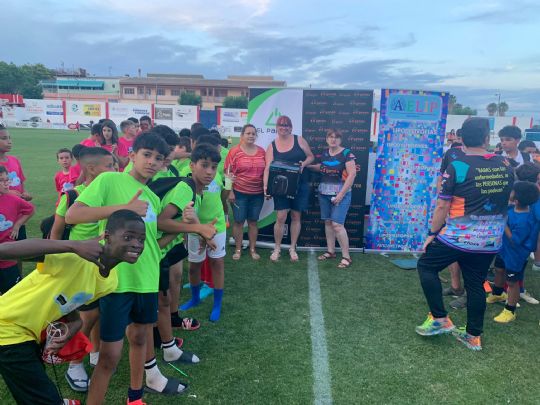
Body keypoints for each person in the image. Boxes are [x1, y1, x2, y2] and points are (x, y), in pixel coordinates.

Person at [66, 133, 186, 404]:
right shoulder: (110, 180)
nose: (152, 162)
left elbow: (151, 243)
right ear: (131, 155)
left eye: (158, 158)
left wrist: (184, 231)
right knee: (108, 356)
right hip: (116, 282)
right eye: (146, 155)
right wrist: (125, 207)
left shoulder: (153, 199)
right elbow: (74, 214)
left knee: (141, 340)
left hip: (146, 281)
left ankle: (135, 397)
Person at [0, 211, 145, 405]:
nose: (137, 244)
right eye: (128, 237)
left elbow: (69, 300)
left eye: (141, 239)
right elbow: (5, 250)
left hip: (28, 334)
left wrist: (75, 323)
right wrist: (72, 245)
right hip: (7, 328)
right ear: (107, 237)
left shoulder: (110, 281)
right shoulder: (77, 257)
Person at [415, 117, 514, 351]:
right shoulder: (505, 164)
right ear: (487, 138)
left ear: (461, 139)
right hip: (490, 240)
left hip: (459, 237)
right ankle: (473, 336)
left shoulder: (457, 165)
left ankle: (440, 318)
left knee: (426, 266)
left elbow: (442, 206)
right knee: (476, 284)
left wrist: (432, 233)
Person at [50, 147, 115, 391]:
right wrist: (59, 266)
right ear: (91, 168)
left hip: (105, 264)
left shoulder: (113, 193)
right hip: (80, 266)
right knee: (87, 317)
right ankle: (74, 363)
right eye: (109, 166)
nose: (115, 171)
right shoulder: (73, 195)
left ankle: (94, 353)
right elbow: (56, 233)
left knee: (99, 312)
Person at [178, 136, 226, 322]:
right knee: (194, 266)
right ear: (192, 165)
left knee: (217, 264)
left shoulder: (218, 178)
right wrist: (199, 234)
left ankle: (217, 304)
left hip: (217, 227)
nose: (210, 172)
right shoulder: (186, 185)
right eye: (204, 165)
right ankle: (195, 298)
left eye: (213, 167)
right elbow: (188, 215)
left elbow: (222, 198)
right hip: (195, 229)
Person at [486, 181, 539, 323]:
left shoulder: (524, 220)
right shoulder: (511, 209)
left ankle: (510, 310)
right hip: (504, 250)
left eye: (512, 191)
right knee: (499, 269)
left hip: (515, 256)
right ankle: (498, 293)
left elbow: (515, 240)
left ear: (517, 199)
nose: (510, 192)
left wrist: (504, 224)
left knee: (512, 282)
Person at [263, 115, 314, 262]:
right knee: (281, 217)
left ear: (291, 127)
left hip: (300, 185)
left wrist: (303, 164)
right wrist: (266, 186)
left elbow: (310, 157)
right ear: (277, 127)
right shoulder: (272, 145)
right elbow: (267, 168)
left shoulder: (299, 140)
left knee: (296, 216)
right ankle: (277, 248)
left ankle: (292, 247)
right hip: (280, 187)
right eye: (281, 125)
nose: (284, 127)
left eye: (287, 125)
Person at [309, 129, 356, 268]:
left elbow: (352, 175)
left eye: (336, 137)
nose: (333, 139)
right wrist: (306, 166)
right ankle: (331, 251)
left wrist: (341, 195)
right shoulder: (324, 153)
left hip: (341, 194)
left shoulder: (347, 154)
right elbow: (322, 168)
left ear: (340, 140)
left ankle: (346, 257)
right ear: (326, 139)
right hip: (324, 193)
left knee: (337, 225)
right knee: (328, 223)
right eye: (330, 137)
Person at [225, 124, 266, 260]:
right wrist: (230, 192)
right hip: (239, 193)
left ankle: (252, 249)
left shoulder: (261, 152)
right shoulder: (234, 152)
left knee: (253, 221)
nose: (251, 136)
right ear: (242, 135)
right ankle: (238, 249)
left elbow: (266, 173)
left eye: (253, 134)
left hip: (257, 194)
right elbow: (228, 173)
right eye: (248, 133)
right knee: (238, 222)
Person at [0, 166, 34, 294]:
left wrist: (17, 225)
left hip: (8, 257)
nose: (6, 183)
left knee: (12, 293)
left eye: (7, 179)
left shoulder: (13, 199)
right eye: (1, 180)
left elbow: (30, 210)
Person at [0, 123, 32, 201]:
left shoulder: (15, 160)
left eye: (9, 138)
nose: (9, 141)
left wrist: (24, 194)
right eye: (4, 138)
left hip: (17, 206)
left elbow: (20, 182)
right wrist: (7, 192)